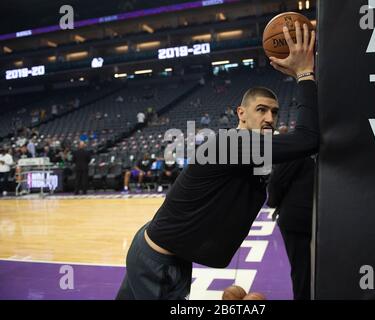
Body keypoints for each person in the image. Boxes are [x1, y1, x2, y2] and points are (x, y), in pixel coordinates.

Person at [116, 22, 317, 300]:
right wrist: (304, 73)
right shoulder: (232, 144)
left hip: (167, 256)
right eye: (261, 110)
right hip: (157, 262)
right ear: (241, 114)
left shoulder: (253, 151)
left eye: (274, 112)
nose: (270, 118)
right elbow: (308, 139)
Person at [267, 155, 315, 300]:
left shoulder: (300, 149)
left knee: (302, 268)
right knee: (303, 268)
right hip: (302, 218)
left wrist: (274, 203)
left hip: (299, 216)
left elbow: (276, 181)